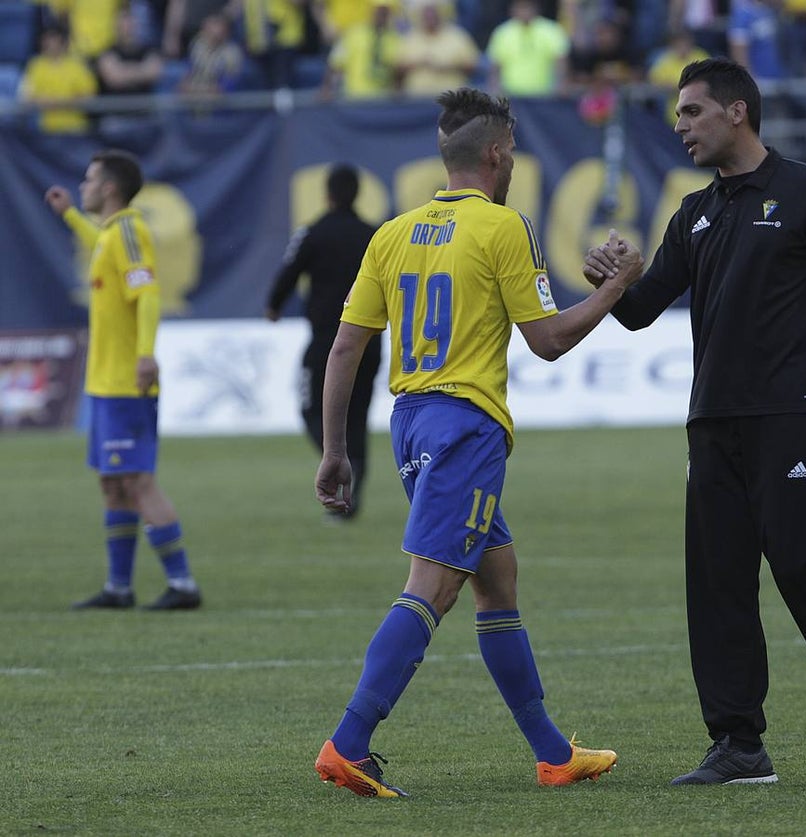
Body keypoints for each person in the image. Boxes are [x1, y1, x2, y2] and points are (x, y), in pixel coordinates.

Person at [583, 57, 806, 785]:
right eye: (677, 116)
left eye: (692, 113)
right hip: (712, 422)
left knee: (803, 566)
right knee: (717, 582)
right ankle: (739, 745)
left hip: (791, 417)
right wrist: (614, 280)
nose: (680, 128)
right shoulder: (695, 212)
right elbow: (642, 313)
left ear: (737, 112)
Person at [311, 87, 644, 797]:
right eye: (515, 152)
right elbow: (548, 340)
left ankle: (553, 752)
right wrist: (615, 288)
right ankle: (349, 741)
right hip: (467, 426)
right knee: (432, 587)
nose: (515, 162)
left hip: (410, 423)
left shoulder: (392, 233)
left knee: (497, 578)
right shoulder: (503, 227)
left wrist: (334, 449)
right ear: (497, 155)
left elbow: (344, 349)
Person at [45, 150, 203, 611]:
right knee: (112, 485)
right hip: (105, 384)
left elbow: (147, 292)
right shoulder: (112, 234)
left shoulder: (130, 231)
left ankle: (183, 584)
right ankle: (118, 588)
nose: (83, 185)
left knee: (138, 483)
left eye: (89, 180)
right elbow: (105, 246)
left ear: (109, 187)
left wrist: (145, 355)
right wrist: (70, 215)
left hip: (127, 384)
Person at [265, 164, 380, 520]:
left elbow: (289, 271)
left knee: (310, 407)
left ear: (327, 194)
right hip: (371, 340)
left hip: (328, 343)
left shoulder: (313, 233)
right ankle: (352, 476)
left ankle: (337, 461)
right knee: (357, 414)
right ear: (358, 194)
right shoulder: (373, 235)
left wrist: (274, 306)